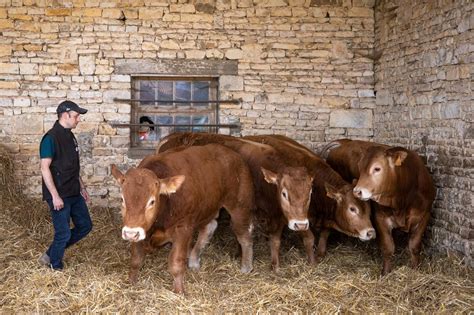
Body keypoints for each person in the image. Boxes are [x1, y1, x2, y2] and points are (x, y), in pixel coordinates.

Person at [38, 100, 92, 270]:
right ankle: (55, 266)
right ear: (66, 115)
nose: (78, 120)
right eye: (76, 116)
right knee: (63, 233)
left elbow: (74, 167)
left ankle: (51, 253)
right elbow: (44, 168)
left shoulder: (70, 135)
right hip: (59, 194)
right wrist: (54, 196)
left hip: (74, 191)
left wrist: (82, 187)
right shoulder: (50, 138)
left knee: (85, 226)